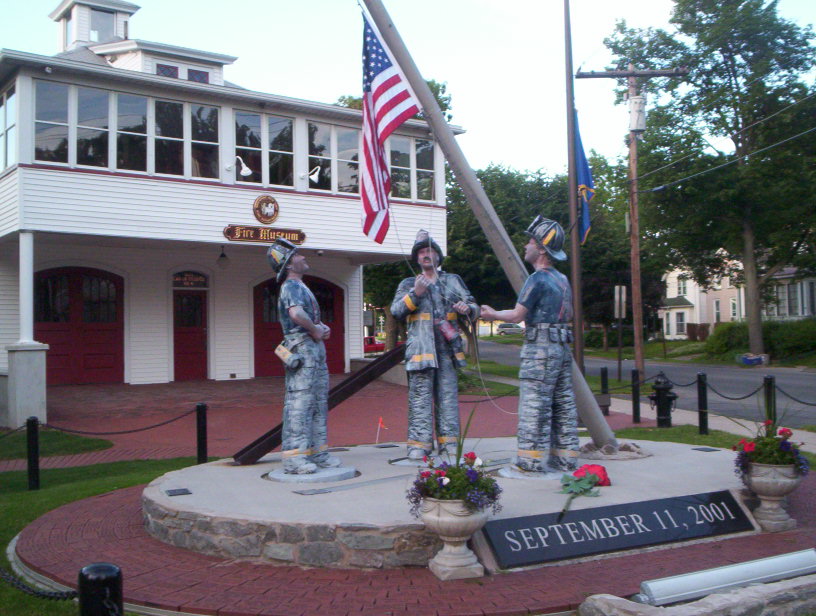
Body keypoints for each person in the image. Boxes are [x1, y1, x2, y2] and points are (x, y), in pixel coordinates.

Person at [480, 216, 579, 473]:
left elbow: (516, 316)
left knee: (535, 405)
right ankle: (565, 458)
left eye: (531, 242)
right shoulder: (563, 280)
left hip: (540, 350)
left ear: (542, 249)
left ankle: (530, 461)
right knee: (563, 404)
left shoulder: (536, 279)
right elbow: (569, 313)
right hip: (562, 347)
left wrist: (492, 314)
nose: (526, 245)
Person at [391, 230, 480, 460]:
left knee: (447, 398)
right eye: (421, 252)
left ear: (438, 256)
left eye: (429, 250)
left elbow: (473, 306)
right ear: (416, 258)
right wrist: (415, 293)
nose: (425, 255)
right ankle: (419, 445)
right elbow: (396, 311)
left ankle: (449, 444)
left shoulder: (452, 280)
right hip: (421, 350)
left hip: (447, 350)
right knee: (420, 399)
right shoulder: (408, 283)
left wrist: (467, 309)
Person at [267, 238, 341, 474]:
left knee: (318, 403)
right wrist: (315, 329)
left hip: (313, 350)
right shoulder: (291, 286)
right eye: (298, 255)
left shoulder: (300, 286)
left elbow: (307, 317)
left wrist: (320, 328)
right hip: (302, 351)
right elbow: (297, 314)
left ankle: (318, 452)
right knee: (300, 404)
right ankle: (295, 458)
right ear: (289, 264)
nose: (303, 257)